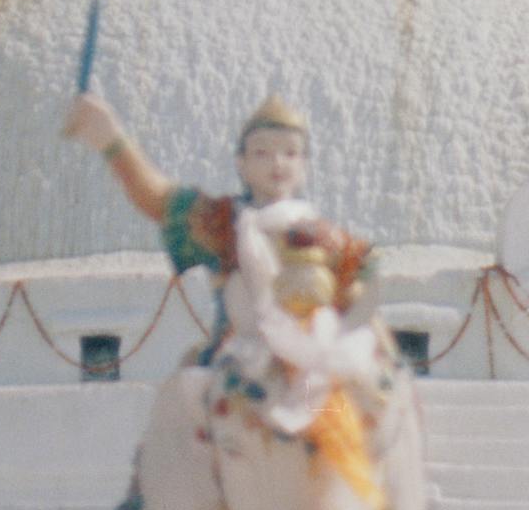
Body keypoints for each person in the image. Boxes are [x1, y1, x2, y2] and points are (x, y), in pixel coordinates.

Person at [62, 89, 369, 354]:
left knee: (339, 416)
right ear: (242, 164)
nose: (277, 163)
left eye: (290, 153)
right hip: (239, 365)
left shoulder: (327, 238)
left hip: (311, 366)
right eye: (262, 153)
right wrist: (112, 140)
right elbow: (159, 200)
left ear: (305, 165)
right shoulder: (225, 223)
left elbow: (363, 288)